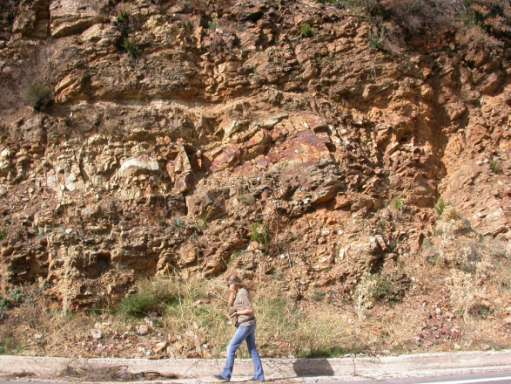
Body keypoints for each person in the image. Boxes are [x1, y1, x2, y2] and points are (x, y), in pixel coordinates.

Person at [214, 274, 265, 382]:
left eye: (230, 284)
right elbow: (229, 305)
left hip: (246, 324)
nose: (229, 286)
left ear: (235, 284)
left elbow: (250, 310)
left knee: (231, 348)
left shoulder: (242, 293)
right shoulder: (238, 293)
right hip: (248, 324)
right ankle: (260, 376)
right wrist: (232, 293)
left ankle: (226, 375)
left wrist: (238, 312)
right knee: (252, 350)